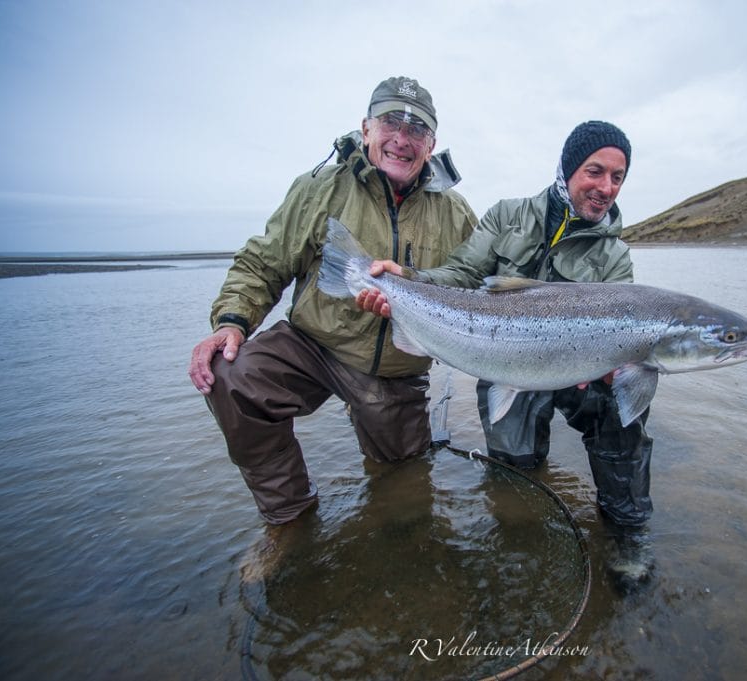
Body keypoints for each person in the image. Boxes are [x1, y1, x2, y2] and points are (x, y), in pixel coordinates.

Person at [357, 121, 655, 589]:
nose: (606, 188)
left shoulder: (615, 256)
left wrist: (608, 368)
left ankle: (626, 532)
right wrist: (406, 281)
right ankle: (521, 534)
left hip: (579, 373)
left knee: (625, 411)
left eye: (618, 178)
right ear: (567, 168)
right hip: (505, 365)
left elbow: (619, 329)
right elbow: (459, 274)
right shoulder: (506, 217)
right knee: (516, 472)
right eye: (595, 171)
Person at [188, 76, 477, 527]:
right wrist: (232, 321)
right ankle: (291, 519)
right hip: (315, 346)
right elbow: (263, 263)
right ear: (365, 129)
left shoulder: (457, 213)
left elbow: (473, 287)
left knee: (405, 492)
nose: (402, 139)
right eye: (390, 123)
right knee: (233, 374)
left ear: (432, 143)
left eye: (417, 129)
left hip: (396, 368)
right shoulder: (318, 188)